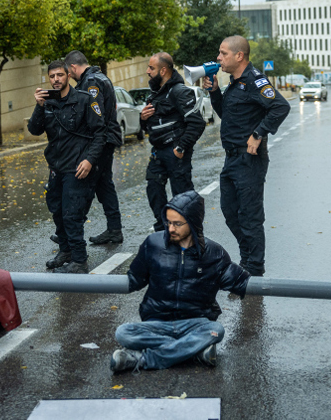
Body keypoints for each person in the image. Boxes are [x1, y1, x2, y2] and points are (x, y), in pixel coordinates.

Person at [110, 190, 250, 373]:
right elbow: (135, 279)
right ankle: (194, 352)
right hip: (157, 323)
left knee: (216, 330)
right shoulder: (153, 244)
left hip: (195, 323)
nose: (170, 229)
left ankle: (142, 359)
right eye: (168, 222)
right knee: (123, 333)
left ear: (193, 223)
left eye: (177, 224)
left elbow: (241, 281)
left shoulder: (214, 253)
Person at [203, 35, 291, 276]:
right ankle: (248, 258)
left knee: (250, 217)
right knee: (230, 212)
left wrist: (259, 133)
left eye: (223, 53)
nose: (218, 58)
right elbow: (228, 115)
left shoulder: (255, 80)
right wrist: (214, 93)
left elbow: (281, 107)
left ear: (239, 56)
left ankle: (253, 269)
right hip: (231, 159)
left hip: (249, 160)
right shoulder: (234, 82)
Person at [28, 61, 106, 274]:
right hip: (56, 167)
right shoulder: (47, 102)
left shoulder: (84, 100)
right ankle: (66, 251)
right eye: (52, 76)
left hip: (78, 167)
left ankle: (79, 260)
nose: (56, 79)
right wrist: (39, 105)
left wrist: (89, 160)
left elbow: (100, 134)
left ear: (68, 76)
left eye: (60, 75)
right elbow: (34, 130)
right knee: (57, 210)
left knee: (72, 214)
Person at [63, 50, 124, 245]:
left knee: (87, 184)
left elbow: (96, 118)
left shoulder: (91, 83)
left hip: (101, 141)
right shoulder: (97, 77)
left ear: (73, 67)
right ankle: (114, 230)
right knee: (103, 186)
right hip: (105, 139)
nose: (68, 77)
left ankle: (72, 230)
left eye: (67, 72)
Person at [140, 53, 206, 232]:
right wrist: (143, 118)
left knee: (182, 197)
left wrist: (181, 147)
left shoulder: (179, 91)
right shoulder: (155, 93)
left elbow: (197, 123)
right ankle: (163, 229)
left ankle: (192, 234)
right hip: (158, 152)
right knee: (153, 189)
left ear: (163, 70)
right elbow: (150, 126)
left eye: (151, 68)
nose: (147, 71)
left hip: (176, 152)